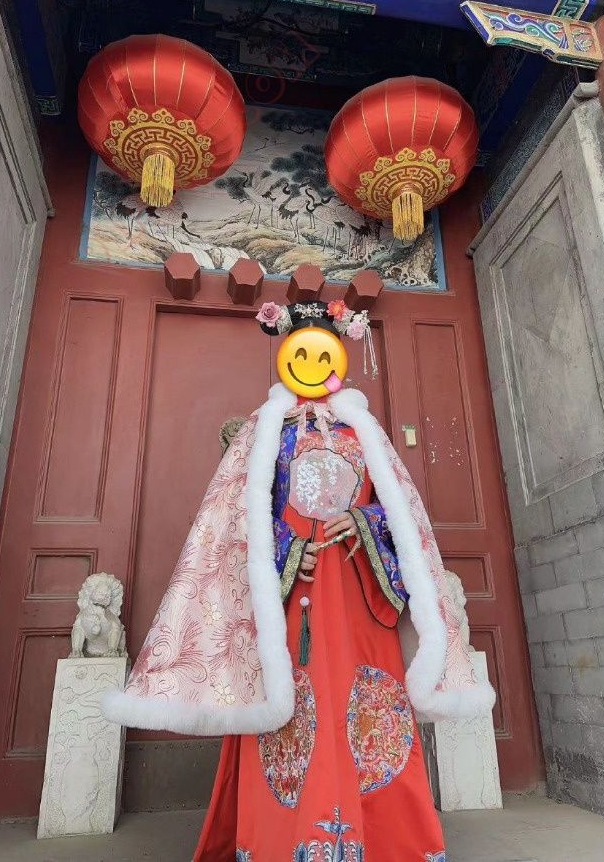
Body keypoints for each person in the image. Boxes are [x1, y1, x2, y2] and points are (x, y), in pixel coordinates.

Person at [104, 299, 495, 861]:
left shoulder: (365, 432)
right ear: (286, 354)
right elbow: (238, 520)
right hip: (292, 594)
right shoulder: (264, 432)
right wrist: (287, 551)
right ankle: (286, 840)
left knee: (367, 707)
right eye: (301, 351)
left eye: (323, 351)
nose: (312, 361)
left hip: (359, 589)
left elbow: (400, 513)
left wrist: (363, 521)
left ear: (339, 355)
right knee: (295, 707)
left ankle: (385, 840)